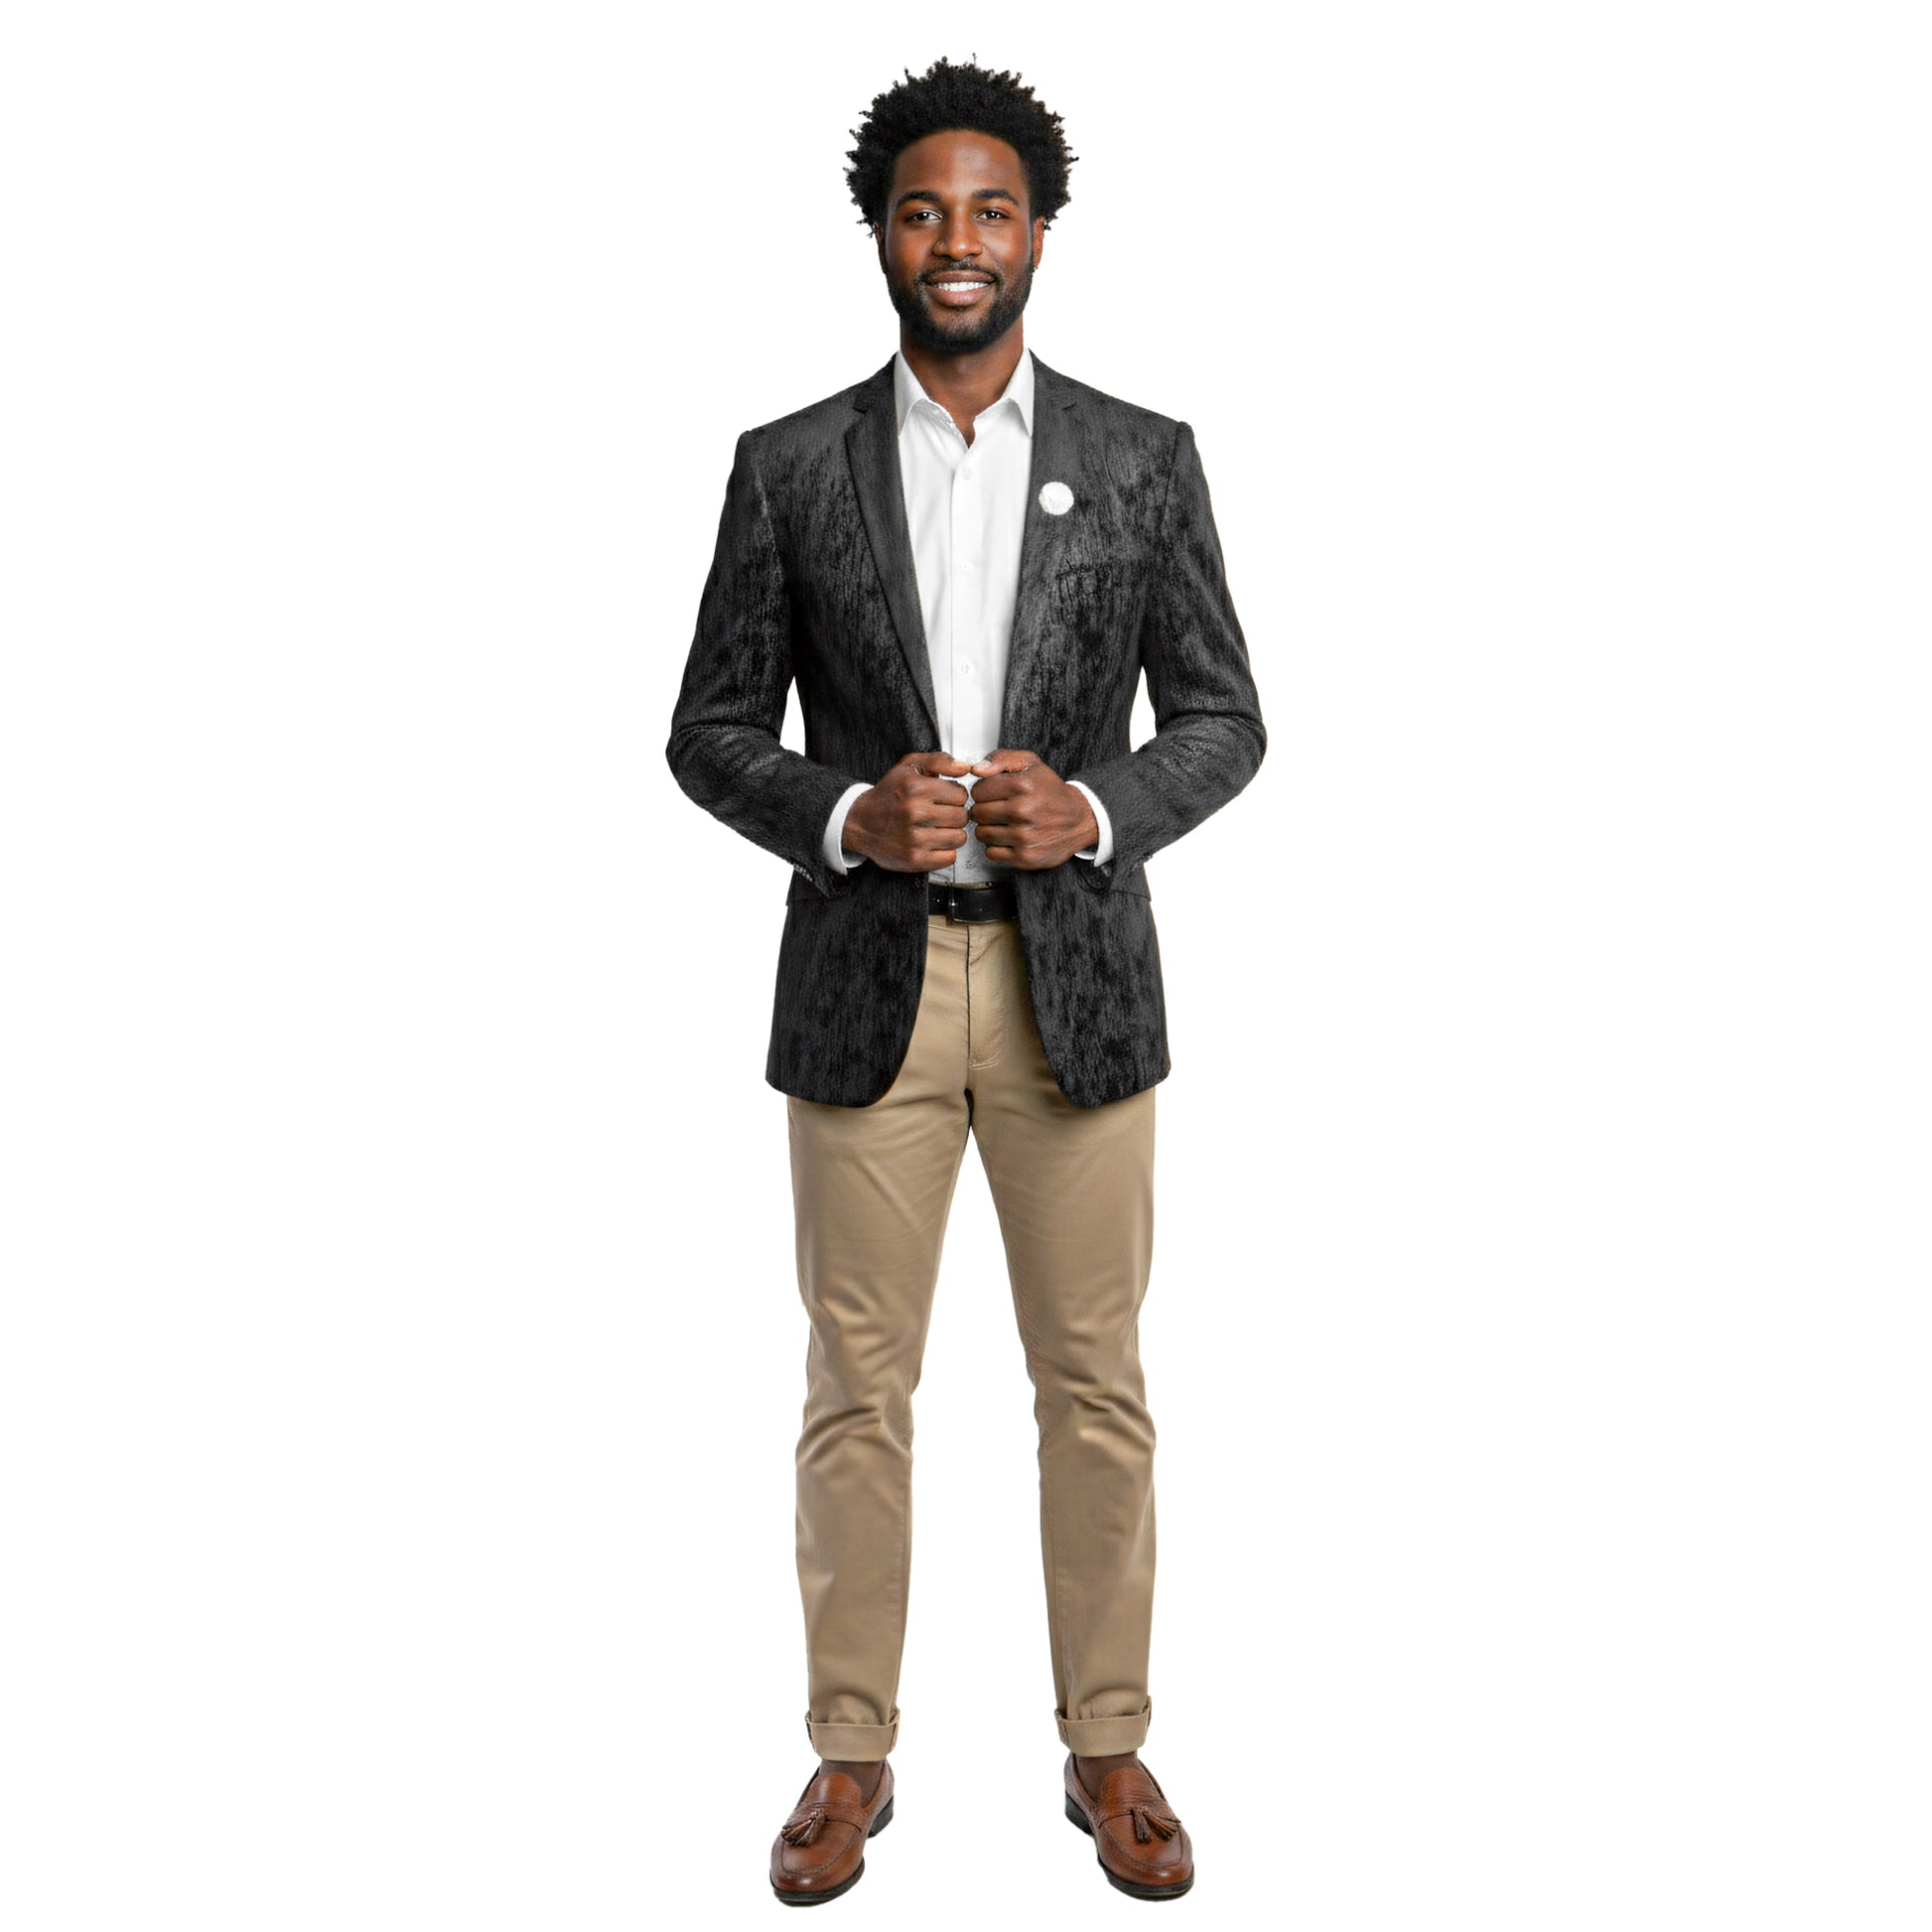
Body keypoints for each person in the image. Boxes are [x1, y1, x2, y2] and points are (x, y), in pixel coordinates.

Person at [666, 57, 1266, 1905]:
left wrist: (1093, 808)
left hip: (1078, 995)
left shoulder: (1143, 458)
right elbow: (707, 731)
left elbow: (1224, 720)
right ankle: (850, 1754)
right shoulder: (788, 466)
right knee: (857, 1385)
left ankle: (1108, 1744)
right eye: (923, 209)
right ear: (880, 232)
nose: (957, 240)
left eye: (990, 209)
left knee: (1094, 1380)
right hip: (867, 993)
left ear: (1037, 235)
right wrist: (847, 811)